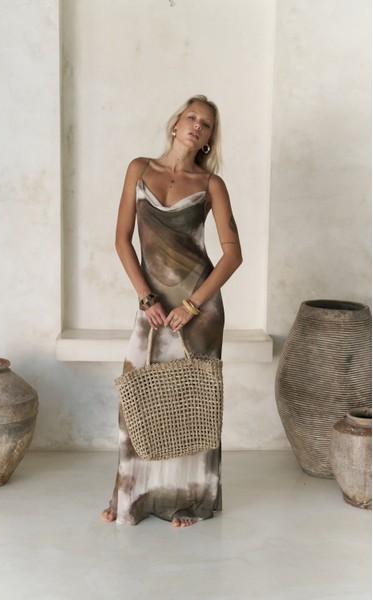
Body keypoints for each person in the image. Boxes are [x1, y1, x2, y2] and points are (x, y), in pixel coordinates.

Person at [101, 94, 243, 527]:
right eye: (192, 117)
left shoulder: (211, 184)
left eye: (206, 124)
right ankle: (132, 495)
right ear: (177, 123)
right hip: (153, 302)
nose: (197, 125)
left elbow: (233, 255)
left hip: (199, 307)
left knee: (193, 402)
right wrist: (146, 297)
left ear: (208, 138)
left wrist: (192, 304)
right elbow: (122, 239)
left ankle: (188, 501)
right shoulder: (139, 168)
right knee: (137, 396)